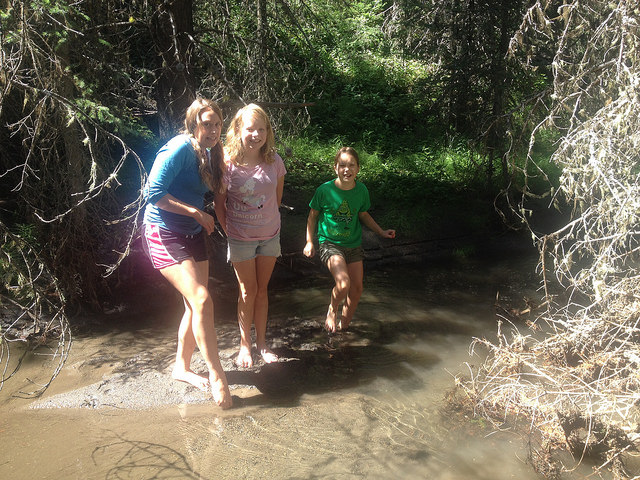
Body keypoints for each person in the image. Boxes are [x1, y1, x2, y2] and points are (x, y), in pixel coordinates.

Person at [142, 98, 232, 409]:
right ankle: (217, 374)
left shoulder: (211, 152)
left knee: (195, 305)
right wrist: (195, 211)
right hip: (163, 231)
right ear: (194, 124)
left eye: (218, 124)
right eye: (207, 123)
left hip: (192, 234)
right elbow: (152, 192)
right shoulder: (180, 147)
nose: (214, 129)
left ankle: (181, 366)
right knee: (202, 299)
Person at [214, 104, 286, 368]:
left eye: (261, 129)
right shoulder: (227, 163)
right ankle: (245, 346)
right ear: (238, 130)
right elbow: (219, 204)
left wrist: (266, 222)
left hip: (270, 235)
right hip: (240, 237)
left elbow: (276, 199)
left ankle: (262, 345)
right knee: (247, 291)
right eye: (250, 129)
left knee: (262, 290)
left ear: (268, 131)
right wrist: (230, 231)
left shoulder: (274, 161)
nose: (256, 134)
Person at [303, 146, 396, 333]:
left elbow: (363, 214)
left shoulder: (361, 190)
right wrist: (309, 241)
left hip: (353, 245)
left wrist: (381, 232)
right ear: (335, 167)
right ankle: (332, 308)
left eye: (351, 165)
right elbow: (312, 216)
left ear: (358, 169)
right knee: (343, 283)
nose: (347, 169)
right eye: (343, 165)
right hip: (329, 243)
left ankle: (343, 328)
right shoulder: (324, 190)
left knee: (357, 288)